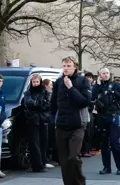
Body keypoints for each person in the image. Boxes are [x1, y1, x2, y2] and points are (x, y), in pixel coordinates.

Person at [50, 56, 91, 185]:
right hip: (61, 125)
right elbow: (53, 105)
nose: (66, 68)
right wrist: (53, 120)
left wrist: (71, 88)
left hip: (77, 125)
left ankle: (80, 182)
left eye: (68, 66)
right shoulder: (58, 82)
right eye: (64, 66)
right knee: (64, 161)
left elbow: (85, 101)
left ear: (75, 67)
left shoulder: (83, 81)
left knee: (73, 157)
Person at [92, 68, 120, 175]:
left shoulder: (115, 85)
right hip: (102, 117)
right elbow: (92, 97)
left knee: (115, 142)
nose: (105, 75)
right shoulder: (98, 86)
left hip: (113, 116)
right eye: (103, 73)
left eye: (107, 73)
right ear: (99, 75)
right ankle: (107, 167)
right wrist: (97, 85)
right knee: (104, 144)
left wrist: (113, 92)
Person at [24, 74, 51, 172]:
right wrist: (39, 103)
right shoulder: (28, 93)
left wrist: (37, 104)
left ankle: (43, 163)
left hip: (43, 119)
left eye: (37, 82)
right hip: (33, 120)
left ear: (40, 82)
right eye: (33, 82)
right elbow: (29, 103)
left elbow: (47, 104)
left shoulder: (45, 92)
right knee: (34, 143)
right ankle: (37, 165)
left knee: (44, 142)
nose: (35, 84)